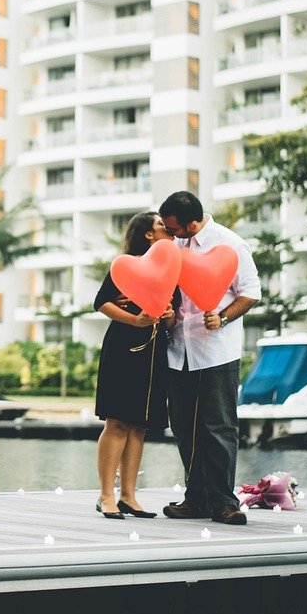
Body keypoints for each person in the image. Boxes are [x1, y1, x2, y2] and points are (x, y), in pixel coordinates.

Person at [158, 190, 260, 526]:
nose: (169, 234)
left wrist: (224, 317)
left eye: (173, 228)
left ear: (190, 224)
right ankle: (196, 499)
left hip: (216, 351)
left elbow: (251, 293)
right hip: (179, 349)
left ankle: (224, 502)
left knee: (218, 427)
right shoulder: (175, 247)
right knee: (183, 427)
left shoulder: (231, 244)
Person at [92, 211, 178, 519]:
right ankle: (106, 495)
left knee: (139, 426)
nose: (168, 229)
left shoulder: (171, 267)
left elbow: (173, 316)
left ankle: (128, 496)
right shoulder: (127, 264)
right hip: (123, 347)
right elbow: (101, 302)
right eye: (161, 225)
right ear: (148, 234)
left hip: (154, 352)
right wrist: (135, 320)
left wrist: (169, 316)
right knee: (117, 422)